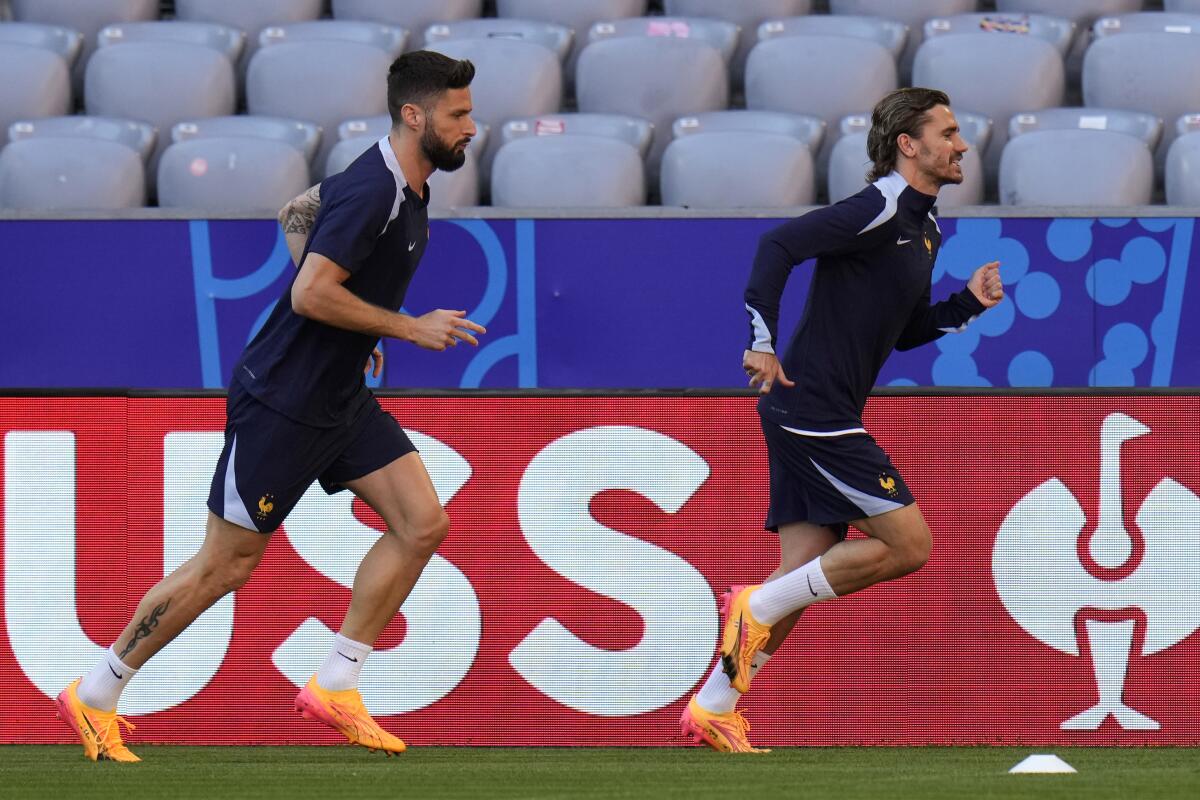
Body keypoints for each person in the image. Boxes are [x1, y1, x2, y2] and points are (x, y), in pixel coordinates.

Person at [56, 50, 485, 762]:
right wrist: (403, 325)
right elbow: (309, 294)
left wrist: (359, 322)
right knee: (224, 567)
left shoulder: (403, 181)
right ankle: (96, 691)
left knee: (422, 523)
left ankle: (336, 684)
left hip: (339, 397)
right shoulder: (375, 189)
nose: (473, 127)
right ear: (416, 116)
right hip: (283, 400)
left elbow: (297, 212)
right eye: (459, 114)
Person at [679, 88, 1005, 753]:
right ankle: (754, 607)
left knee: (802, 569)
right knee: (910, 544)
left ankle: (713, 706)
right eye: (947, 132)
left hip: (815, 410)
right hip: (812, 410)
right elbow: (778, 245)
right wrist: (761, 342)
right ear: (908, 145)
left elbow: (905, 329)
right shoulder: (877, 207)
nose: (962, 143)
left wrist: (966, 305)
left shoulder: (925, 227)